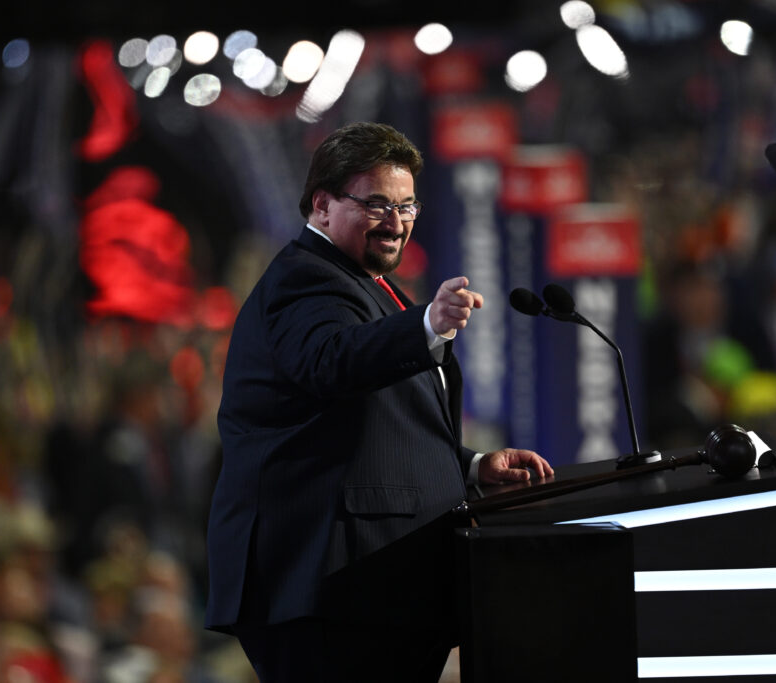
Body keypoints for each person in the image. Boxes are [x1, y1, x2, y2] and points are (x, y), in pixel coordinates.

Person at [204, 121, 553, 682]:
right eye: (377, 205)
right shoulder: (306, 281)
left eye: (408, 205)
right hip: (329, 588)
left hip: (370, 589)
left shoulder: (364, 282)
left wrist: (470, 466)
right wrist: (427, 326)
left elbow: (380, 424)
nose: (397, 223)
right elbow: (332, 360)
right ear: (322, 205)